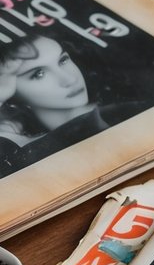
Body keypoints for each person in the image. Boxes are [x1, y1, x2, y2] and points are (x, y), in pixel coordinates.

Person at [0, 32, 140, 175]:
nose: (69, 79)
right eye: (39, 73)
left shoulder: (123, 113)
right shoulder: (13, 144)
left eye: (63, 60)